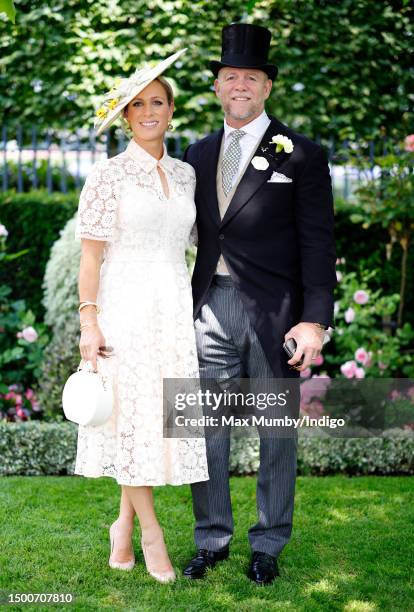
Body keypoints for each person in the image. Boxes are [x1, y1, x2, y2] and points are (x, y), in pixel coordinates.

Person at [183, 23, 336, 584]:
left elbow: (319, 245)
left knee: (275, 433)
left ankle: (268, 543)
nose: (240, 84)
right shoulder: (196, 155)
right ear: (218, 88)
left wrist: (314, 320)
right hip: (210, 308)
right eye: (230, 77)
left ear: (267, 87)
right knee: (207, 430)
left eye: (251, 76)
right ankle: (212, 538)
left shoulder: (299, 154)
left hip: (276, 315)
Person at [74, 49, 209, 583]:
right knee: (130, 419)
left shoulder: (186, 174)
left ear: (171, 110)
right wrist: (90, 321)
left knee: (154, 419)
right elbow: (91, 255)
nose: (150, 111)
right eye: (139, 105)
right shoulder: (107, 176)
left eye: (159, 101)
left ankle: (122, 528)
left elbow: (202, 241)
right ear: (127, 116)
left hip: (172, 309)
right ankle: (152, 535)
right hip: (123, 309)